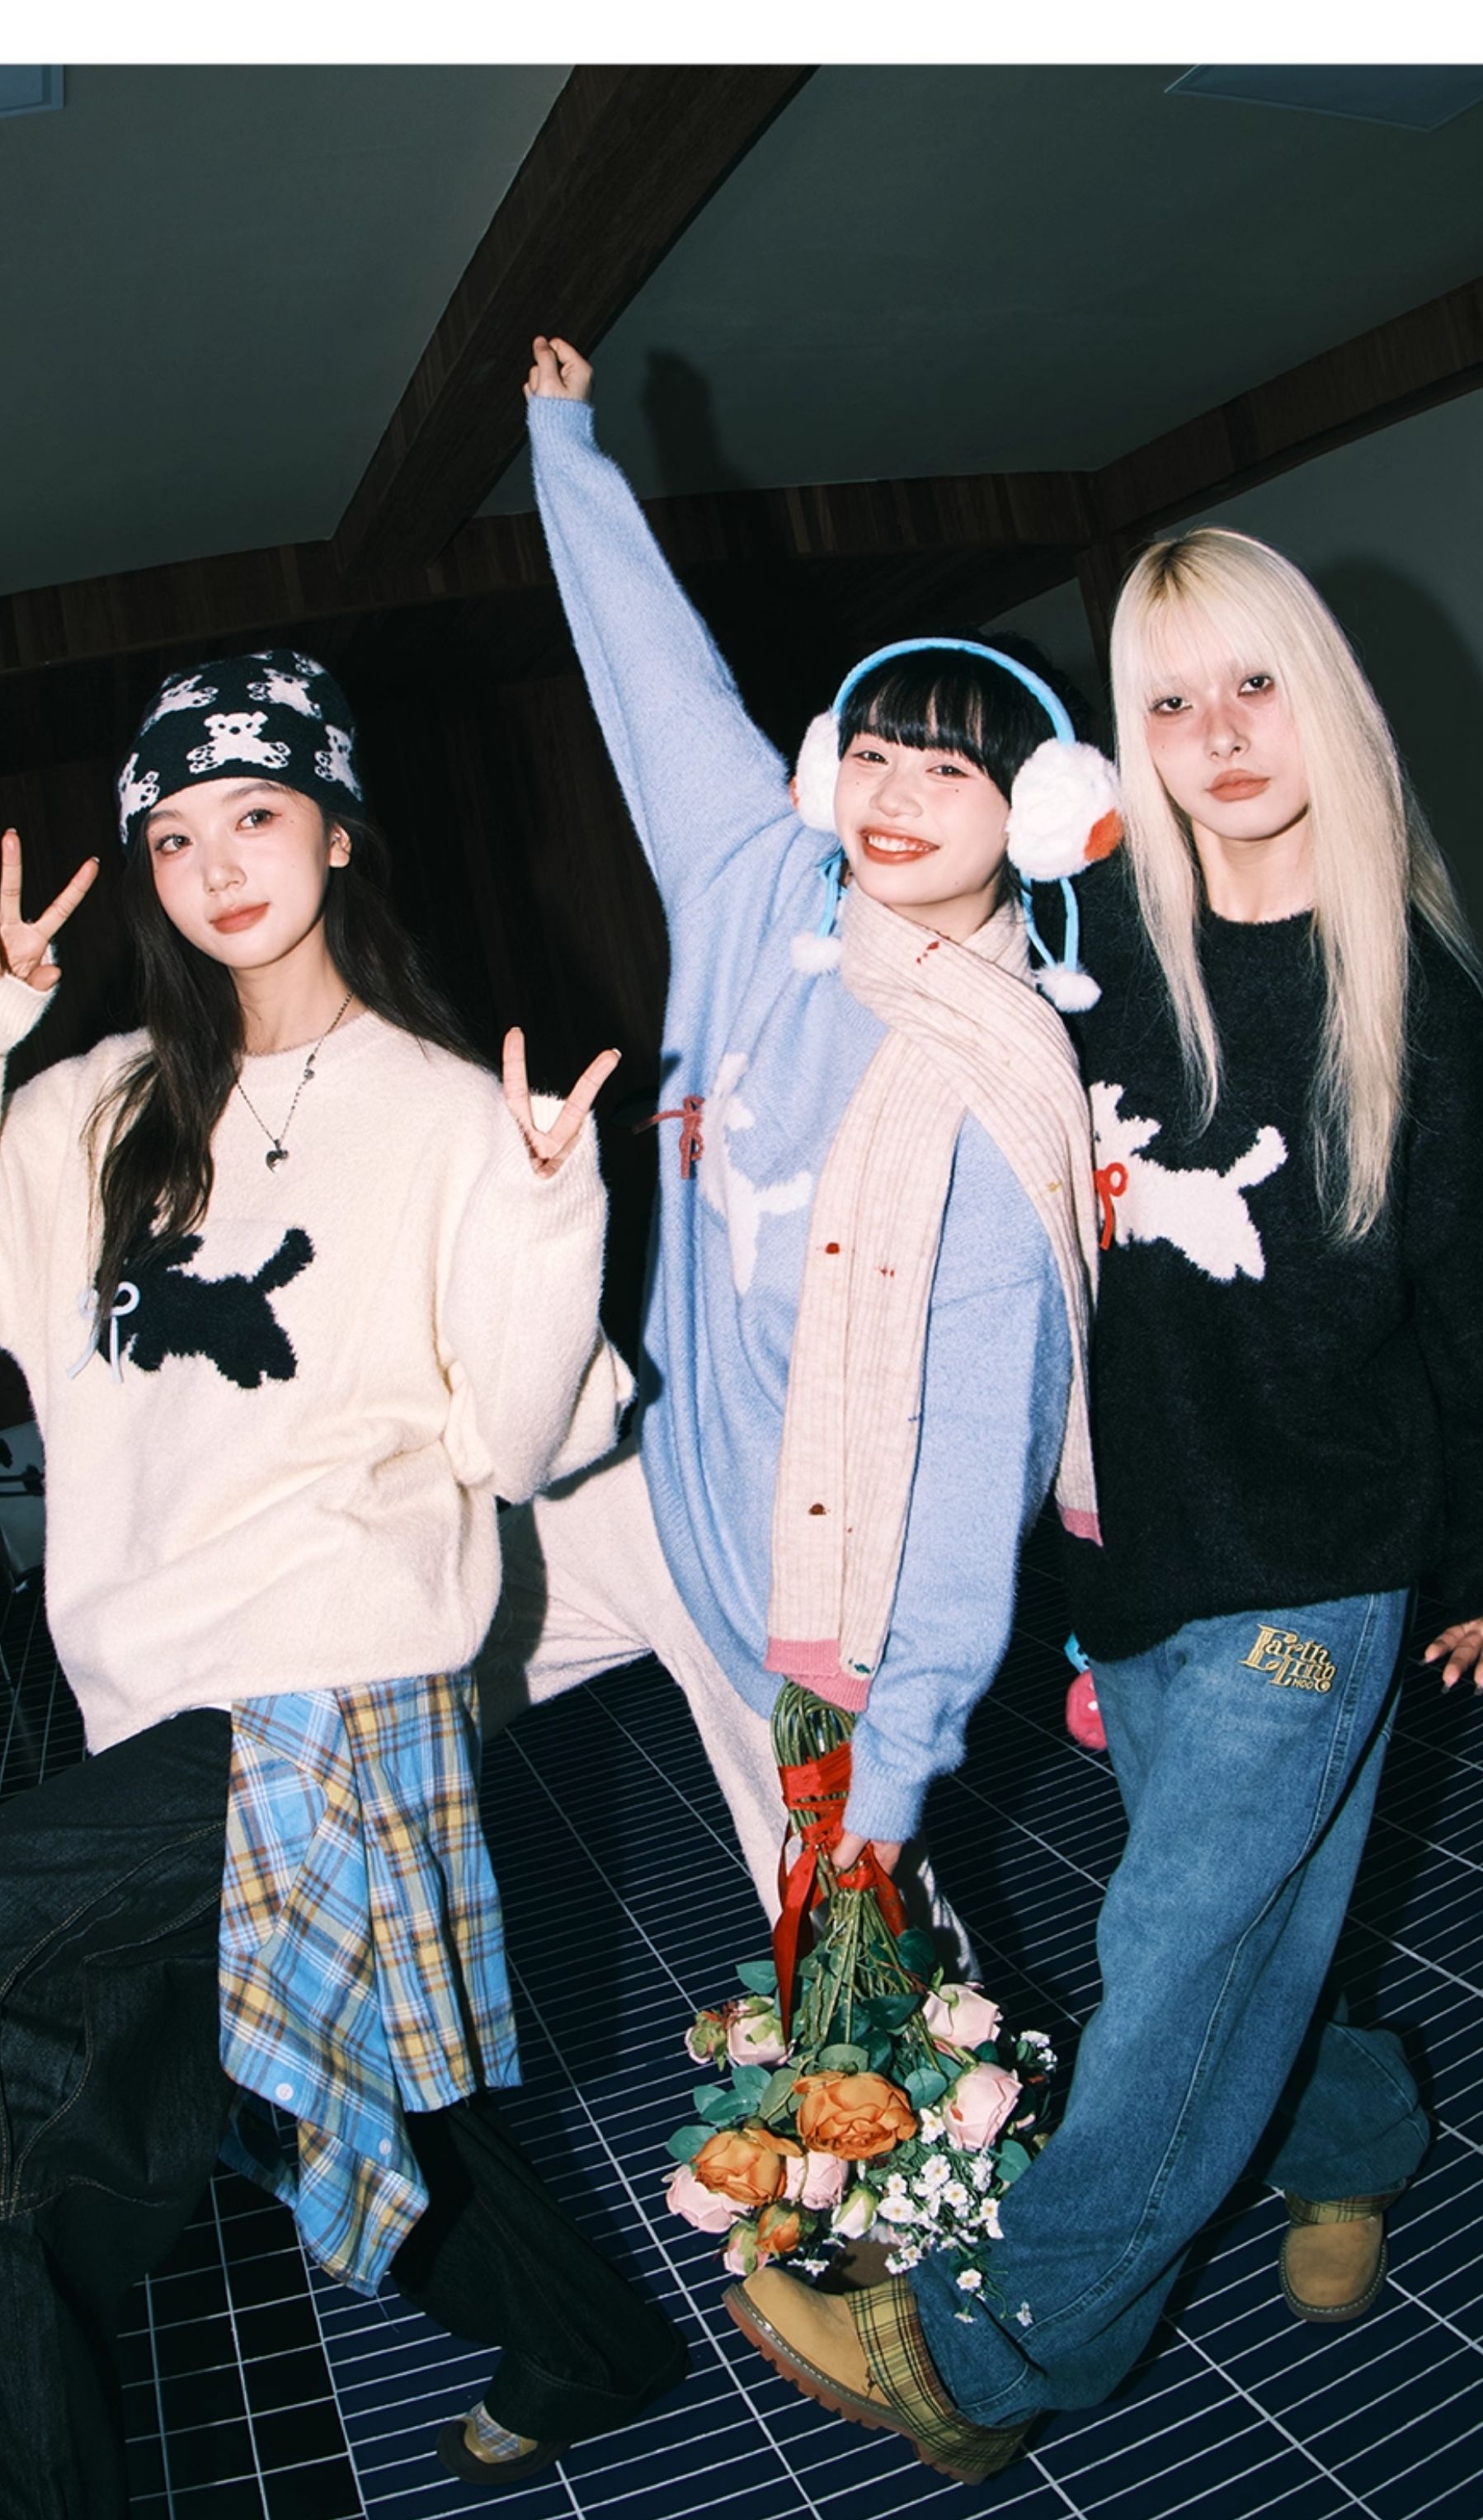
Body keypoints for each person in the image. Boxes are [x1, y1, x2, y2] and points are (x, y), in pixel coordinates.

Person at [0, 649, 687, 2520]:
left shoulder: (449, 1112)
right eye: (171, 833)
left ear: (336, 830)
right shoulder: (101, 1103)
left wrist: (551, 1214)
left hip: (336, 1687)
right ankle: (589, 2346)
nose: (213, 862)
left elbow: (521, 1439)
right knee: (291, 2090)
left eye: (253, 812)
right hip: (153, 1693)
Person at [727, 527, 1483, 2480]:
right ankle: (1349, 2141)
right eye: (1168, 701)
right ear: (1118, 747)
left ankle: (996, 2353)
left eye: (1254, 685)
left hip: (1321, 1557)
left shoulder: (1414, 1000)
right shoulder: (1094, 963)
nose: (1218, 735)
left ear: (1327, 704)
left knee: (1181, 1948)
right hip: (1130, 1557)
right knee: (1260, 1914)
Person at [478, 336, 1118, 1941]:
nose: (898, 792)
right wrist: (564, 447)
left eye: (951, 769)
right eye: (875, 752)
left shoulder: (997, 1091)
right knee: (370, 1654)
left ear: (1037, 818)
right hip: (645, 1480)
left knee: (860, 1958)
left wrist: (892, 1771)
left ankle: (930, 2077)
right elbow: (659, 683)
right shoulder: (760, 888)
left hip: (809, 1599)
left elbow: (973, 1466)